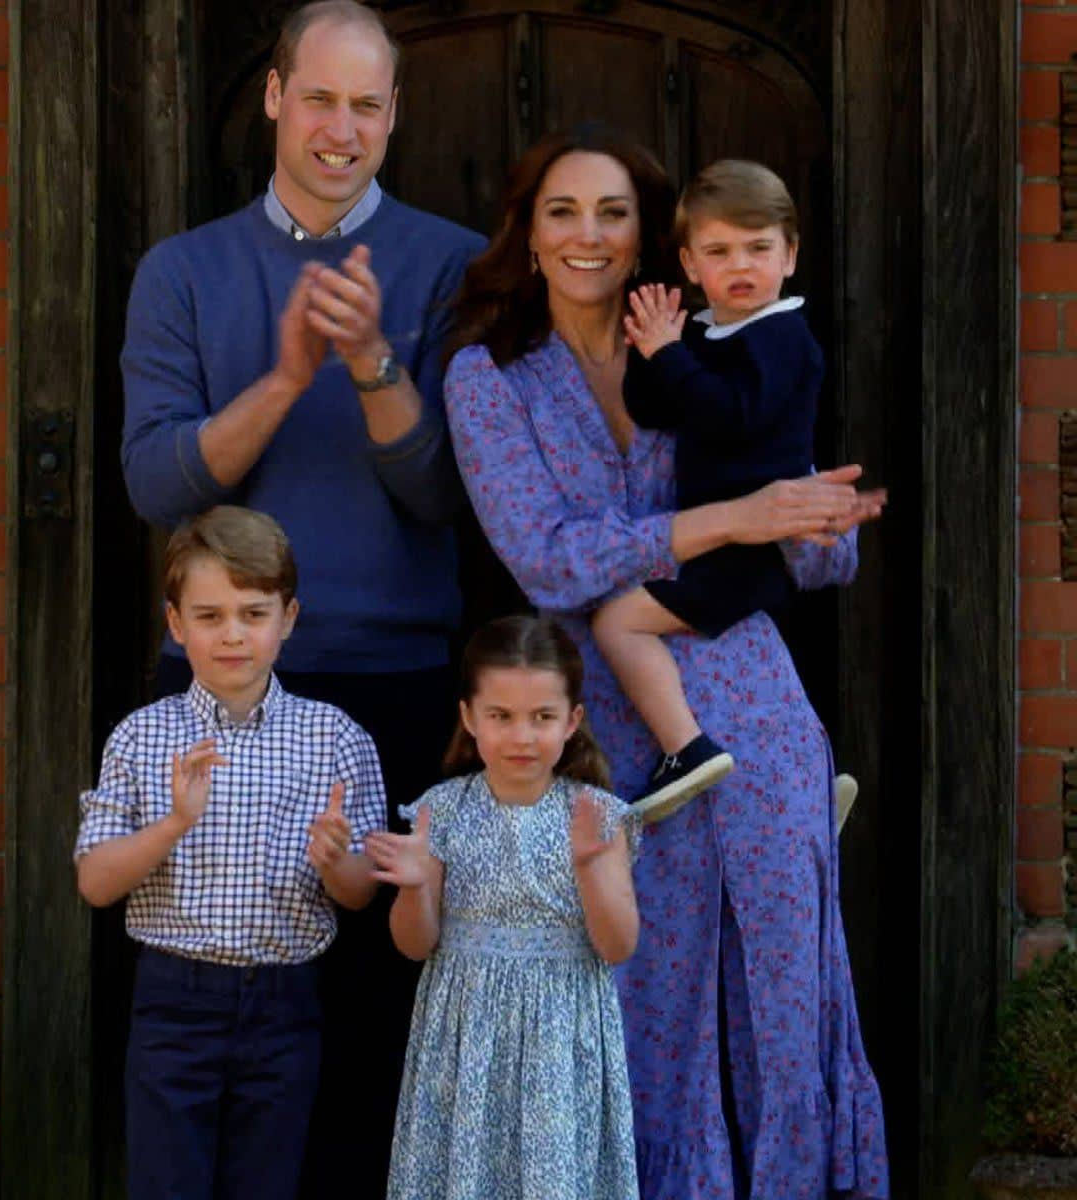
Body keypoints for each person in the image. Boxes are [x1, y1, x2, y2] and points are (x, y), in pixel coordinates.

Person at [444, 125, 889, 1199]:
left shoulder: (718, 339)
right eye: (563, 212)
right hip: (606, 734)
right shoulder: (489, 376)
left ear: (655, 239)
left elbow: (818, 555)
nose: (588, 235)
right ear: (530, 233)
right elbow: (550, 564)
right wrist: (733, 516)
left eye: (613, 213)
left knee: (784, 992)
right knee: (636, 993)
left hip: (755, 706)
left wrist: (817, 521)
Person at [118, 3, 484, 1192]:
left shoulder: (454, 265)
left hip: (394, 678)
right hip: (224, 685)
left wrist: (374, 361)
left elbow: (444, 497)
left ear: (394, 116)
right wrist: (284, 376)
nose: (340, 128)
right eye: (318, 99)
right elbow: (155, 478)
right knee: (230, 994)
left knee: (379, 996)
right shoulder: (184, 270)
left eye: (365, 105)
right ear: (273, 97)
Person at [73, 506, 386, 1200]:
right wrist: (173, 824)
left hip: (285, 1004)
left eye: (253, 613)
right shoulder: (141, 737)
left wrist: (337, 859)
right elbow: (95, 883)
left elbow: (360, 893)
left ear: (289, 618)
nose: (233, 635)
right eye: (210, 616)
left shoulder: (334, 738)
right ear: (176, 624)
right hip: (173, 1002)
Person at [366, 616, 640, 1200]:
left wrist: (591, 866)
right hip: (466, 1037)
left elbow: (618, 945)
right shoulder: (441, 809)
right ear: (469, 717)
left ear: (572, 722)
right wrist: (415, 886)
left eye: (542, 718)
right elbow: (415, 945)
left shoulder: (596, 815)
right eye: (501, 716)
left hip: (560, 1038)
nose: (522, 737)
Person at [590, 159, 823, 823]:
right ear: (691, 265)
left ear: (791, 255)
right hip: (718, 540)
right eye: (719, 252)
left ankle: (685, 750)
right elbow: (656, 407)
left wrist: (672, 353)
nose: (740, 266)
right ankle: (797, 789)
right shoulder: (709, 332)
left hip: (750, 550)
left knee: (617, 621)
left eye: (758, 248)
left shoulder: (783, 337)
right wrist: (652, 346)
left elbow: (730, 415)